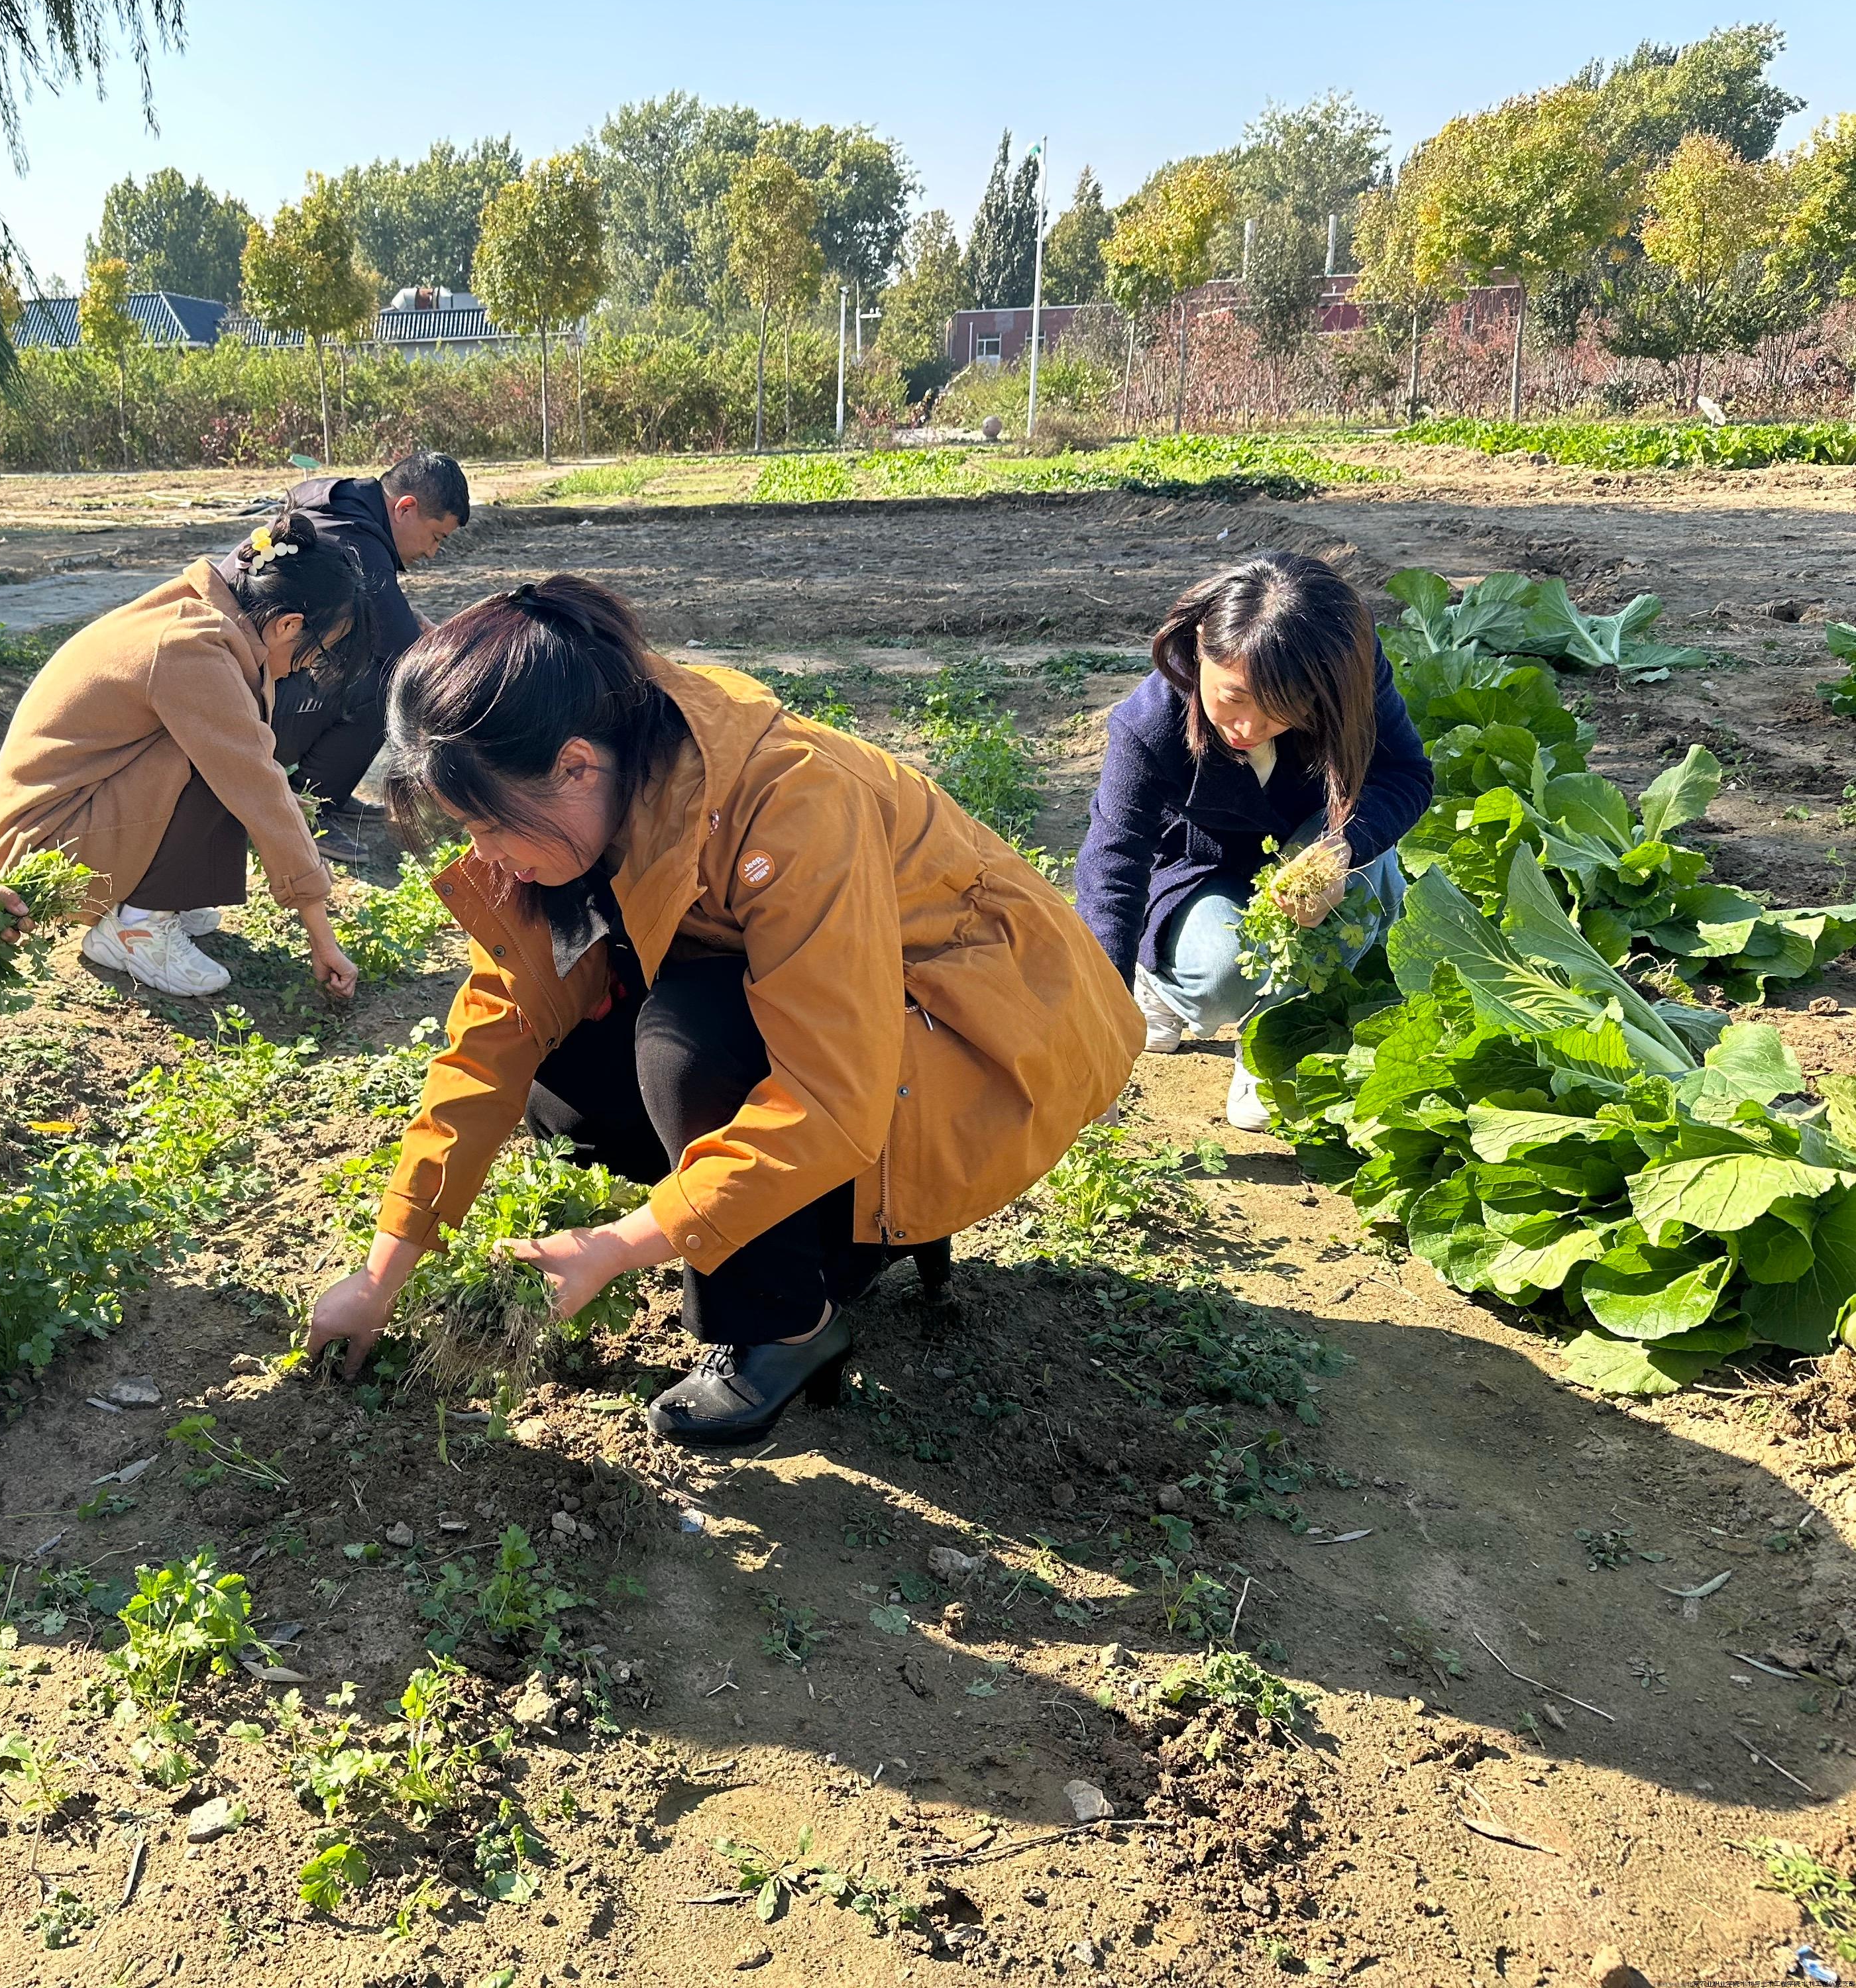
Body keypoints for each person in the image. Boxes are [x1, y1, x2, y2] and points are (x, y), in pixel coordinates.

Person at [304, 576, 1140, 1447]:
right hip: (835, 1028)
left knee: (685, 1043)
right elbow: (491, 1042)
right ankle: (822, 1242)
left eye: (488, 828)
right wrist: (381, 1275)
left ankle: (788, 1325)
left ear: (575, 765)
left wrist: (621, 1245)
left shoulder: (790, 804)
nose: (492, 862)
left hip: (969, 1031)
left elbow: (829, 1091)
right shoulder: (583, 798)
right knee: (565, 1075)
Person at [1075, 552, 1434, 1131]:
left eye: (1281, 711)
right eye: (1234, 698)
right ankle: (1158, 979)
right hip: (1199, 864)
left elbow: (1405, 774)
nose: (1246, 729)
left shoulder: (1344, 669)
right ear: (1199, 647)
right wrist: (1098, 1034)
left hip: (1316, 837)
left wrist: (1340, 848)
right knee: (1219, 975)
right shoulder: (1150, 722)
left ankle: (1270, 1042)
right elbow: (1114, 862)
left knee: (1370, 884)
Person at [0, 511, 369, 999]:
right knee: (227, 757)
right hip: (47, 857)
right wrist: (322, 934)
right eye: (315, 653)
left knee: (230, 745)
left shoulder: (198, 614)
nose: (309, 667)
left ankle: (159, 894)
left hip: (64, 821)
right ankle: (135, 926)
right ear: (287, 624)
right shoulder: (190, 647)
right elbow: (256, 780)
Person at [270, 450, 468, 864]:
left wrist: (412, 620)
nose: (432, 553)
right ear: (406, 508)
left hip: (263, 689)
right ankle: (308, 811)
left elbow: (379, 616)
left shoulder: (348, 512)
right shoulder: (354, 536)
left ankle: (327, 792)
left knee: (375, 666)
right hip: (246, 705)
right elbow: (399, 647)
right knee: (390, 679)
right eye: (437, 537)